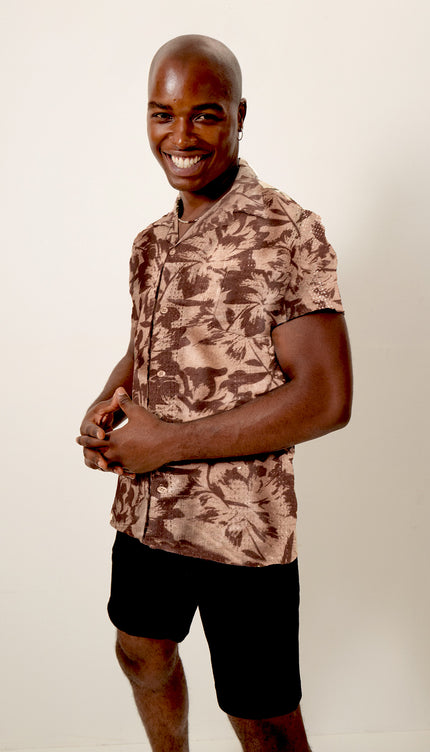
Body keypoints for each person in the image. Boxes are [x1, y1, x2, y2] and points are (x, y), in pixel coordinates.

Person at [77, 34, 352, 752]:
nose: (181, 135)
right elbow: (149, 345)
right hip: (147, 512)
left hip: (242, 529)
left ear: (239, 115)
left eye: (204, 114)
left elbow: (326, 397)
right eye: (162, 114)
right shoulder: (150, 242)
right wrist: (107, 405)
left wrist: (167, 442)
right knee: (139, 653)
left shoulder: (288, 230)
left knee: (261, 718)